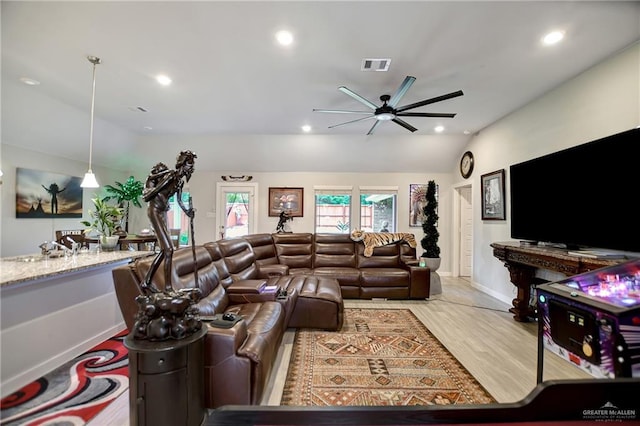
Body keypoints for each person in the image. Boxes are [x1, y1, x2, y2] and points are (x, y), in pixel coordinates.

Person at [141, 150, 197, 294]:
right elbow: (156, 190)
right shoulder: (171, 175)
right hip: (154, 210)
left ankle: (146, 282)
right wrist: (147, 195)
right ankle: (167, 288)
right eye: (189, 164)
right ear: (183, 164)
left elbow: (179, 200)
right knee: (169, 250)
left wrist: (187, 212)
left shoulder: (179, 181)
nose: (191, 167)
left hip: (163, 211)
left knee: (166, 250)